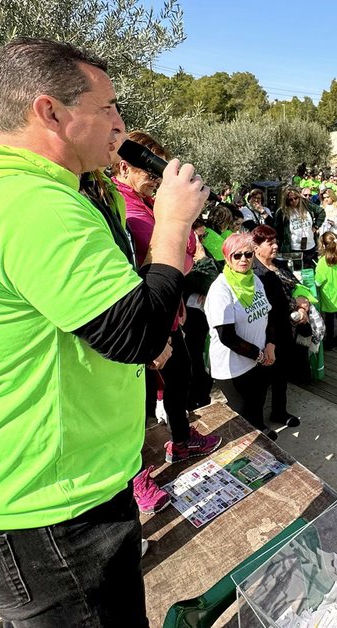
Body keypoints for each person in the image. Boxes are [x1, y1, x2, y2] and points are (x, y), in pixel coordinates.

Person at [0, 38, 208, 627]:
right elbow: (136, 334)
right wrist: (172, 223)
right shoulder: (29, 205)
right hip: (40, 516)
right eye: (108, 107)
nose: (120, 123)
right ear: (50, 112)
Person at [111, 131, 220, 494]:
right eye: (149, 172)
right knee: (137, 406)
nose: (156, 181)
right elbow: (166, 263)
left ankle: (182, 439)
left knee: (181, 377)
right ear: (124, 166)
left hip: (166, 313)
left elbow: (179, 258)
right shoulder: (127, 210)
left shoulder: (144, 204)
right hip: (141, 321)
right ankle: (138, 478)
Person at [207, 233, 280, 438]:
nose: (243, 259)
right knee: (243, 413)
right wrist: (259, 355)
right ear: (227, 257)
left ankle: (261, 433)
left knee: (257, 403)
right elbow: (226, 336)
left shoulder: (254, 279)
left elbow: (267, 313)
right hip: (233, 365)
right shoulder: (221, 290)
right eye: (236, 255)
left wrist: (271, 345)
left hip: (258, 358)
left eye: (248, 254)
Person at [251, 225, 306, 422]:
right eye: (270, 243)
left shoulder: (280, 264)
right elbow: (267, 301)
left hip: (287, 325)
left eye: (275, 242)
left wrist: (303, 307)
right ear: (256, 247)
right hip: (265, 328)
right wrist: (295, 305)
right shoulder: (253, 270)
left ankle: (279, 411)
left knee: (282, 372)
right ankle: (256, 422)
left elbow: (298, 288)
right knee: (263, 376)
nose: (275, 246)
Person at [275, 185, 325, 270]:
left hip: (310, 246)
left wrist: (316, 226)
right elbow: (278, 231)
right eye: (290, 199)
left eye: (296, 198)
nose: (294, 201)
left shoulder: (306, 204)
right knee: (298, 273)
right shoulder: (282, 212)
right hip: (294, 248)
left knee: (311, 272)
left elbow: (321, 212)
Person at [315, 231, 337, 348]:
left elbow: (318, 281)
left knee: (329, 318)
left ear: (324, 246)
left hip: (329, 293)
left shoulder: (323, 262)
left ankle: (329, 342)